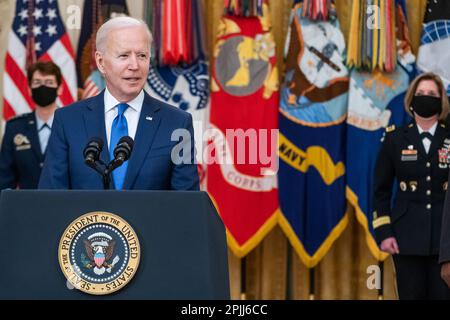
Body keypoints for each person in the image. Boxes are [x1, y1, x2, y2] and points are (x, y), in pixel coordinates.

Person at [38, 17, 199, 190]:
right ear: (100, 62)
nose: (134, 65)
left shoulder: (177, 123)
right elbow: (51, 198)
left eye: (142, 55)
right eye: (124, 55)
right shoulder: (68, 121)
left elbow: (185, 204)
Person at [372, 72, 450, 300]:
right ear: (411, 99)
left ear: (441, 100)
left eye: (432, 94)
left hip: (444, 241)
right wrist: (385, 233)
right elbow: (381, 191)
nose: (426, 97)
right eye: (421, 93)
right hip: (405, 237)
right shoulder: (395, 139)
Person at [0, 61, 62, 189]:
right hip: (25, 205)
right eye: (37, 82)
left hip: (64, 205)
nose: (43, 87)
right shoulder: (15, 128)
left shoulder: (72, 126)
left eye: (49, 82)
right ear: (29, 89)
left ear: (60, 89)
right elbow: (4, 178)